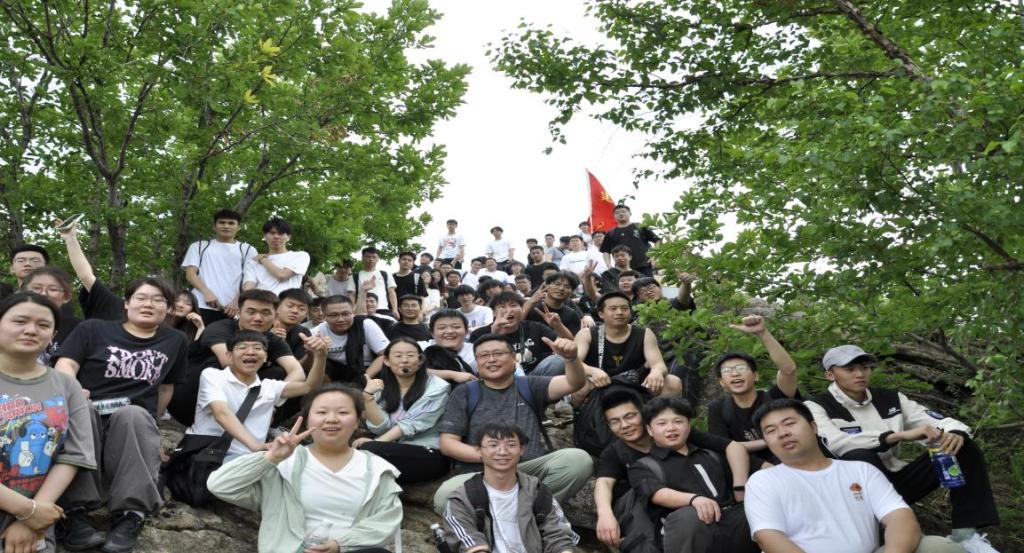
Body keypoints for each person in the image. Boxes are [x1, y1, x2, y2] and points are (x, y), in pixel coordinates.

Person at [805, 345, 1000, 552]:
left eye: (865, 367)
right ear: (830, 374)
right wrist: (896, 436)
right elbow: (836, 443)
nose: (860, 374)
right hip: (853, 493)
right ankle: (877, 534)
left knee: (962, 445)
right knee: (859, 456)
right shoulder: (815, 406)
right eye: (850, 369)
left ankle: (965, 536)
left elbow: (932, 420)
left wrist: (955, 432)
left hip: (896, 482)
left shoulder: (891, 398)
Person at [54, 277, 188, 553]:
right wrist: (75, 392)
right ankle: (73, 512)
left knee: (135, 415)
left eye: (158, 300)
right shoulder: (93, 328)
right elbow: (65, 364)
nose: (149, 304)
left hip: (130, 423)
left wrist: (151, 427)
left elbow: (166, 388)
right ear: (126, 304)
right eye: (141, 298)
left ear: (168, 308)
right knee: (82, 410)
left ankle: (131, 514)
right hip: (89, 414)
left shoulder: (175, 340)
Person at [745, 398, 969, 553]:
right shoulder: (764, 481)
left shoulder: (860, 470)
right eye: (771, 431)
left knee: (938, 548)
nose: (782, 433)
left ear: (814, 427)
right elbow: (769, 537)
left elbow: (900, 518)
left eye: (789, 423)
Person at [208, 385, 402, 553]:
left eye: (343, 413)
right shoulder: (283, 465)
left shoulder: (377, 469)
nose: (331, 419)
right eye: (321, 412)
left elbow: (385, 522)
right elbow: (220, 485)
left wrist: (339, 545)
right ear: (307, 419)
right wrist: (271, 458)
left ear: (358, 420)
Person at [431, 333, 592, 514]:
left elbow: (574, 383)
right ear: (477, 362)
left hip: (527, 469)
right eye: (483, 355)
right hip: (482, 472)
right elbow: (448, 444)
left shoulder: (530, 385)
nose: (491, 359)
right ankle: (515, 516)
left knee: (578, 460)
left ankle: (527, 513)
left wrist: (571, 359)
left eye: (499, 353)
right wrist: (492, 455)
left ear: (514, 359)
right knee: (445, 497)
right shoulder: (465, 392)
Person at [0, 293, 96, 553]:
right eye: (20, 321)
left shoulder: (66, 384)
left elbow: (75, 454)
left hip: (35, 520)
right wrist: (26, 510)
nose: (31, 330)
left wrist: (32, 517)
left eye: (43, 325)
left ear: (53, 335)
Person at [594, 390, 747, 550]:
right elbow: (604, 482)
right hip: (658, 512)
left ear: (643, 415)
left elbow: (731, 446)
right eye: (614, 421)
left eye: (630, 416)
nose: (625, 425)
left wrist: (740, 488)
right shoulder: (617, 453)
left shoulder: (677, 432)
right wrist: (605, 514)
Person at [627, 397, 758, 553]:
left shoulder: (711, 455)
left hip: (731, 523)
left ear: (689, 426)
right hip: (689, 532)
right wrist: (694, 500)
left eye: (678, 421)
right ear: (649, 430)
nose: (671, 428)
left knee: (755, 508)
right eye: (662, 423)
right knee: (689, 516)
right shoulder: (643, 466)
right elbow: (656, 493)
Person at [167, 289, 306, 427]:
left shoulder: (273, 340)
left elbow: (297, 372)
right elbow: (229, 364)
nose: (258, 318)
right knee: (217, 365)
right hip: (189, 396)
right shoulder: (220, 328)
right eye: (251, 312)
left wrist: (273, 399)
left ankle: (262, 424)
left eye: (265, 313)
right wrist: (263, 395)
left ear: (275, 315)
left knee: (281, 374)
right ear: (239, 312)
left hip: (237, 399)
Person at [186, 330, 328, 463]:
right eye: (242, 347)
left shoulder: (270, 387)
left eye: (257, 348)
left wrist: (321, 356)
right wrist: (256, 447)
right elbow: (221, 413)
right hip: (209, 454)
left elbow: (309, 386)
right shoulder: (213, 375)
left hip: (250, 459)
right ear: (229, 355)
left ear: (265, 357)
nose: (250, 352)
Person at [442, 422, 579, 553]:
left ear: (521, 449)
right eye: (493, 445)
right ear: (479, 450)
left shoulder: (538, 492)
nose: (502, 451)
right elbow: (468, 541)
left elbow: (558, 535)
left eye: (511, 445)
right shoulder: (462, 499)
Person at [707, 315, 799, 471]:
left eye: (741, 368)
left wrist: (763, 333)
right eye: (727, 371)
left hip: (793, 463)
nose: (735, 374)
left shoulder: (774, 398)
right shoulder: (718, 409)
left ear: (756, 375)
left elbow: (788, 370)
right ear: (722, 382)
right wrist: (766, 453)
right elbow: (722, 448)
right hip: (750, 472)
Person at [355, 338, 451, 484]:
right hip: (392, 449)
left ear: (420, 360)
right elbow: (381, 428)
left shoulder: (438, 388)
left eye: (410, 355)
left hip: (427, 452)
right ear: (387, 361)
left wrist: (376, 443)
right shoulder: (382, 387)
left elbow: (411, 424)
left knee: (367, 451)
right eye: (398, 356)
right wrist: (368, 397)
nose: (404, 360)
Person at [570, 292, 683, 398]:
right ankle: (581, 412)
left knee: (672, 383)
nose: (619, 312)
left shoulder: (644, 333)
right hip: (599, 382)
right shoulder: (587, 334)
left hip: (636, 382)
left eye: (624, 308)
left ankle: (660, 412)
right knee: (580, 386)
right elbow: (574, 362)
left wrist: (656, 372)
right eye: (613, 308)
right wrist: (591, 371)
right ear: (601, 314)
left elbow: (658, 363)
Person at [181, 209, 257, 325]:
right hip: (201, 305)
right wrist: (206, 292)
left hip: (233, 309)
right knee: (195, 336)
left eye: (231, 223)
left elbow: (250, 280)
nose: (226, 226)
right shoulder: (199, 246)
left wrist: (238, 301)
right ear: (214, 226)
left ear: (238, 227)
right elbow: (190, 274)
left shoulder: (247, 250)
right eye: (222, 222)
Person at [469, 292, 568, 375]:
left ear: (522, 309)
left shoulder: (535, 327)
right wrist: (494, 334)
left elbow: (569, 345)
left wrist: (558, 326)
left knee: (558, 360)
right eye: (502, 307)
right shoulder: (479, 334)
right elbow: (477, 366)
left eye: (513, 305)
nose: (509, 310)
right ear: (494, 312)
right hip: (500, 379)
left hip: (534, 378)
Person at [312, 295, 388, 385]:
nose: (340, 319)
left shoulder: (365, 325)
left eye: (345, 314)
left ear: (353, 313)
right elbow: (313, 364)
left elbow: (385, 355)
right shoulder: (317, 332)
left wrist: (362, 380)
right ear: (324, 316)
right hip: (336, 373)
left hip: (368, 370)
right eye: (334, 315)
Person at [21, 267, 80, 366]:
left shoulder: (78, 329)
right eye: (36, 288)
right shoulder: (7, 321)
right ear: (24, 292)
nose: (43, 293)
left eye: (53, 289)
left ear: (66, 297)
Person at [242, 217, 310, 296]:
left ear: (288, 237)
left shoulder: (300, 256)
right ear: (264, 236)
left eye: (280, 233)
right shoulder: (254, 261)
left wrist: (263, 260)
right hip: (262, 302)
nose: (276, 236)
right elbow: (248, 289)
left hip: (288, 302)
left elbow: (282, 276)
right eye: (272, 233)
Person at [600, 204, 660, 276]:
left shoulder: (640, 226)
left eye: (623, 211)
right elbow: (605, 251)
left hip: (644, 266)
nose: (620, 214)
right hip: (621, 269)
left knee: (646, 283)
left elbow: (657, 240)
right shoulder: (610, 233)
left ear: (630, 213)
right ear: (614, 216)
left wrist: (654, 256)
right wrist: (608, 265)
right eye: (617, 213)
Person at [524, 272, 589, 337]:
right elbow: (518, 325)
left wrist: (558, 326)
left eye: (567, 286)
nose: (561, 288)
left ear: (572, 292)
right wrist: (531, 301)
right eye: (557, 284)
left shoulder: (572, 315)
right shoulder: (530, 307)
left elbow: (573, 340)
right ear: (546, 285)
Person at [353, 247, 399, 319]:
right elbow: (352, 295)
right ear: (362, 258)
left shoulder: (385, 274)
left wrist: (395, 309)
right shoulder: (355, 276)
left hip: (383, 309)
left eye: (374, 257)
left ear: (378, 259)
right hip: (362, 310)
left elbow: (391, 292)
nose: (371, 259)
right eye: (368, 257)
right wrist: (351, 310)